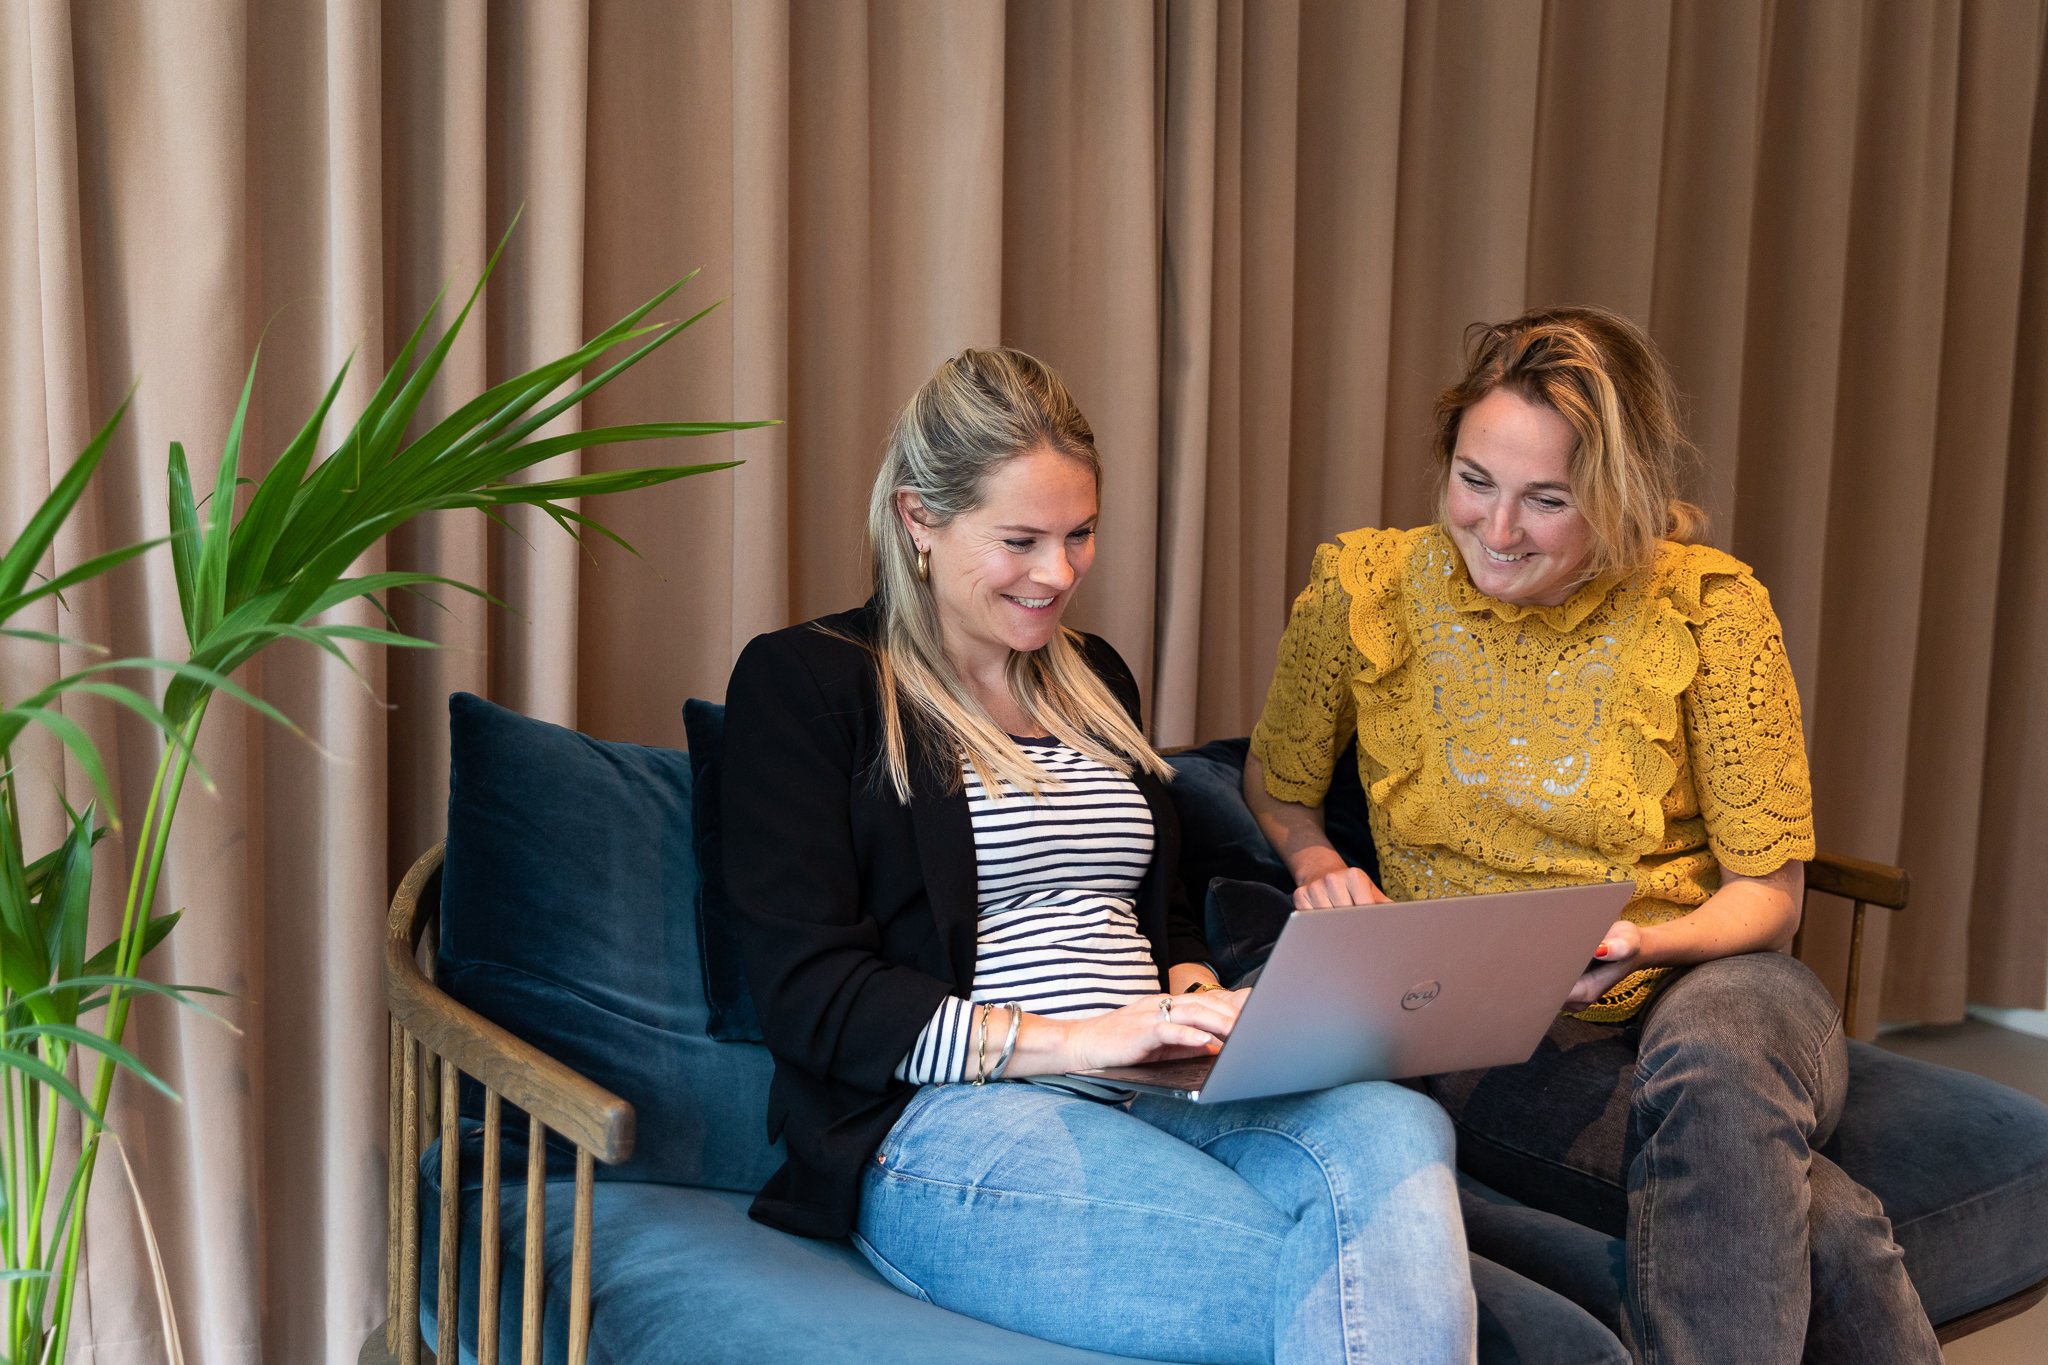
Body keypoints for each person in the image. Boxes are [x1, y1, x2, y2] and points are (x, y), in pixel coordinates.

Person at [721, 347, 1478, 1363]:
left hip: (1162, 1083)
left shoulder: (1092, 678)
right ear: (918, 521)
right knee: (1338, 1280)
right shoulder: (808, 686)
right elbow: (809, 996)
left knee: (1396, 1128)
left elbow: (1148, 907)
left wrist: (1196, 996)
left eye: (1079, 536)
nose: (1058, 575)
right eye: (1020, 540)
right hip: (957, 1117)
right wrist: (1080, 1040)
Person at [1242, 306, 1941, 1365]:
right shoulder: (1364, 588)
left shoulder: (1708, 607)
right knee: (1825, 1220)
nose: (1497, 528)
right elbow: (1276, 786)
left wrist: (1638, 944)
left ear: (1617, 498)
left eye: (1547, 500)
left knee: (1718, 1056)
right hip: (1489, 1004)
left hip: (1713, 970)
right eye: (1473, 479)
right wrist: (1319, 863)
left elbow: (1768, 894)